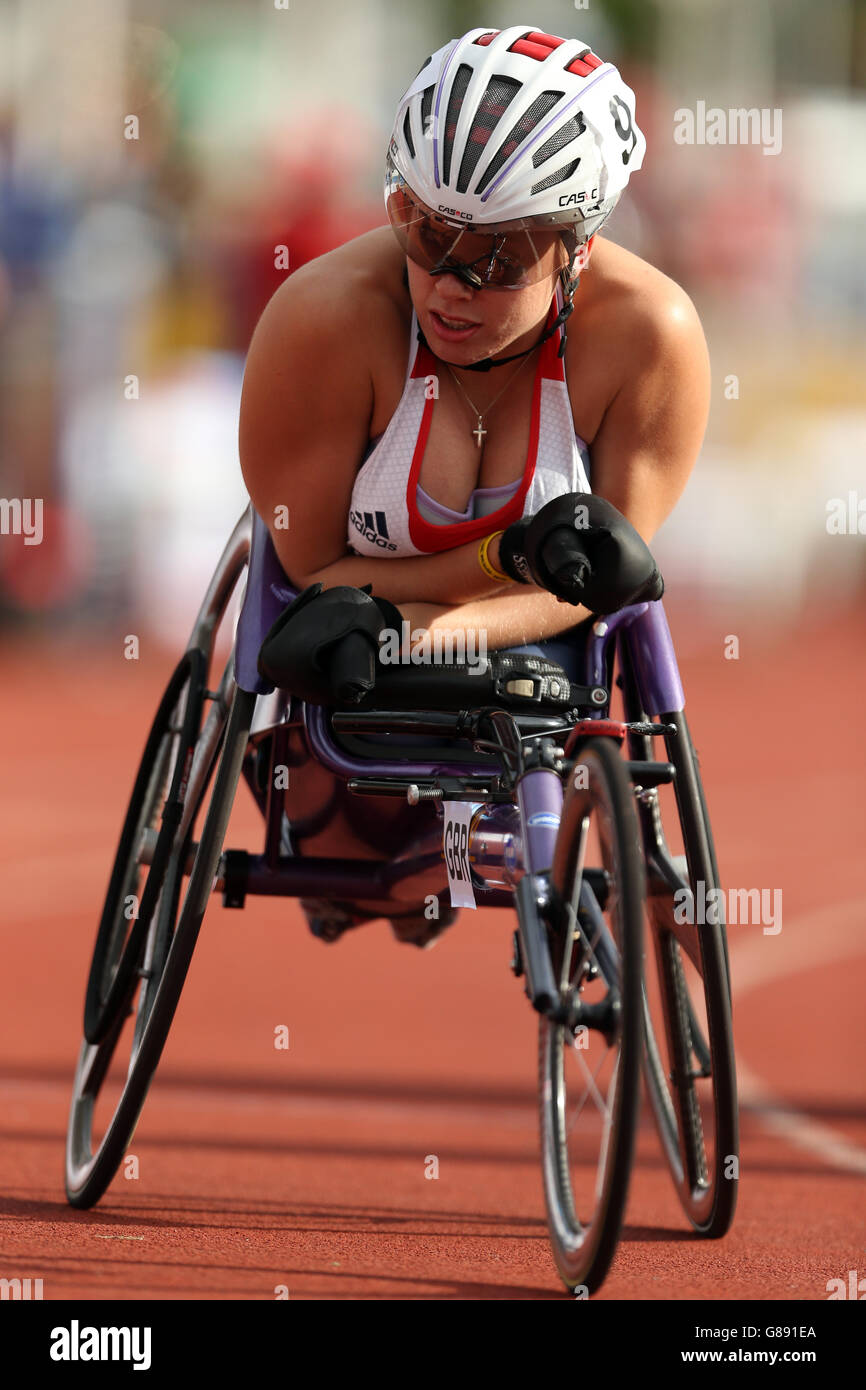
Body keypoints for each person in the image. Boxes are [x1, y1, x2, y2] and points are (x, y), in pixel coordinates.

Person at [238, 24, 711, 944]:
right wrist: (508, 556)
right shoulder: (324, 321)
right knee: (347, 876)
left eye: (497, 257)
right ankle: (385, 878)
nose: (450, 284)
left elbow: (602, 591)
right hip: (350, 684)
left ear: (576, 245)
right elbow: (314, 584)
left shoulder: (652, 338)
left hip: (525, 662)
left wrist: (417, 625)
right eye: (424, 229)